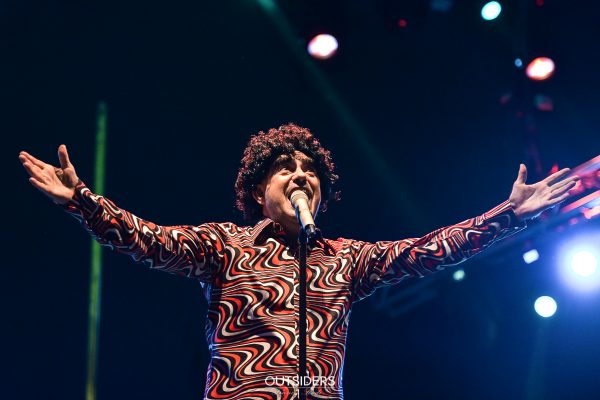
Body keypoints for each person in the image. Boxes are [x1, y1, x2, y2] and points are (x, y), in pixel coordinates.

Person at [19, 123, 580, 399]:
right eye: (285, 168)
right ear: (257, 190)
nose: (299, 175)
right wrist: (83, 202)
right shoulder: (225, 246)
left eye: (309, 170)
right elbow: (149, 241)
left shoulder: (346, 260)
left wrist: (509, 214)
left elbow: (429, 250)